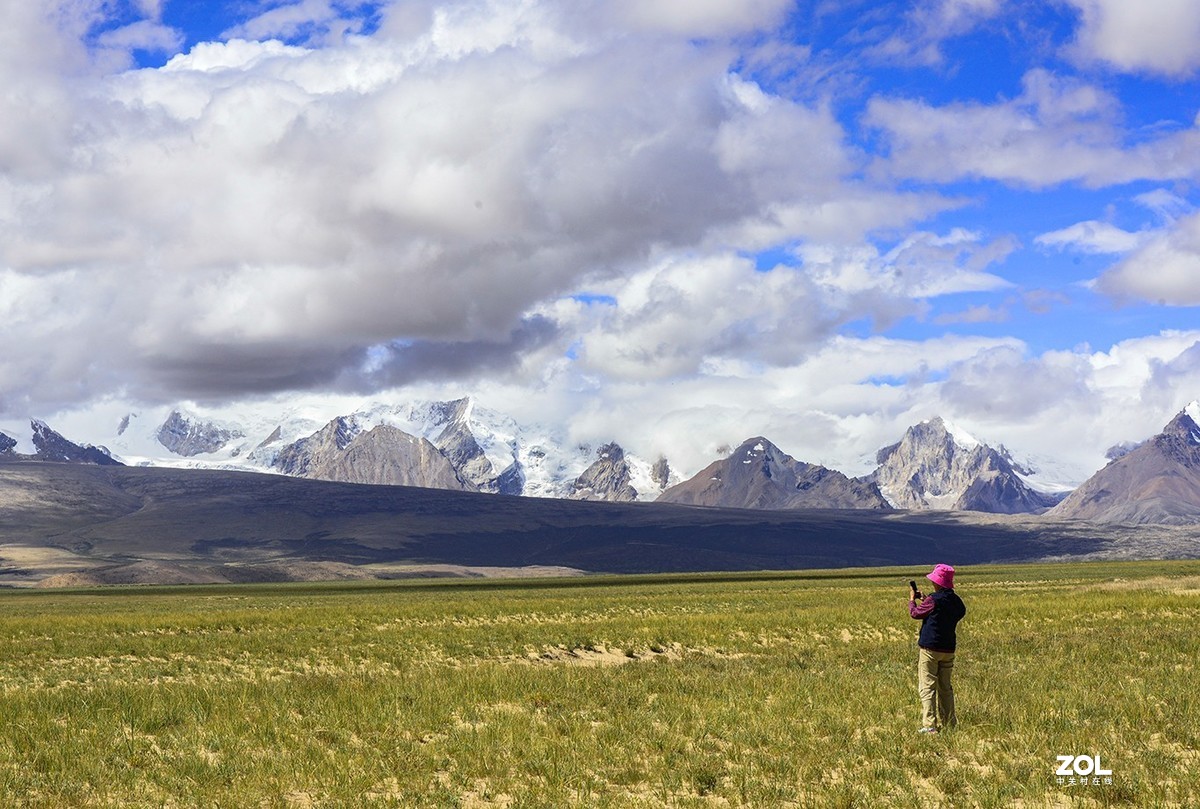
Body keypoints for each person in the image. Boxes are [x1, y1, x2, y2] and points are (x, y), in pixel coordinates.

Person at [907, 563, 966, 734]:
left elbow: (915, 614)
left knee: (927, 687)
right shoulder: (956, 602)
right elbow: (950, 612)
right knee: (945, 687)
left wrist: (912, 600)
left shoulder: (934, 600)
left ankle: (929, 725)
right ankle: (950, 723)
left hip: (930, 649)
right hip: (948, 649)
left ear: (938, 582)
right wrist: (927, 600)